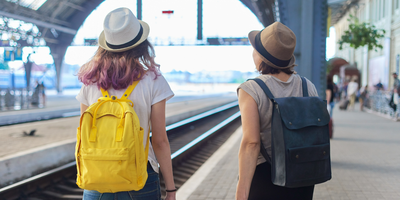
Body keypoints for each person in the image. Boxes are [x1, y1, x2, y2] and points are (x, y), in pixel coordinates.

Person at [76, 8, 176, 200]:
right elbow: (159, 141)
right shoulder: (153, 80)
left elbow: (83, 136)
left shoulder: (90, 82)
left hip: (97, 179)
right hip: (139, 179)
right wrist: (170, 189)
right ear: (141, 45)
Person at [236, 22, 318, 200]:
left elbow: (251, 143)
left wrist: (241, 193)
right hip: (302, 176)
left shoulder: (251, 89)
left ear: (261, 56)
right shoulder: (308, 86)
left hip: (265, 177)